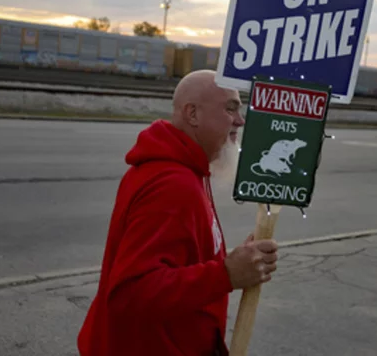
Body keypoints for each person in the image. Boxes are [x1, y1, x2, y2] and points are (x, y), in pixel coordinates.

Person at [77, 69, 279, 356]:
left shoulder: (186, 170)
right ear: (192, 114)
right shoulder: (173, 184)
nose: (240, 120)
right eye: (230, 108)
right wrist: (226, 274)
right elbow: (131, 292)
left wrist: (236, 260)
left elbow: (180, 256)